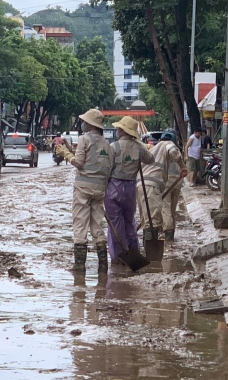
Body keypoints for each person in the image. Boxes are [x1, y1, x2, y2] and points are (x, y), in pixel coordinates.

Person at [58, 108, 113, 271]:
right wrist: (69, 148)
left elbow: (80, 163)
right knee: (97, 224)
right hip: (100, 189)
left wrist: (66, 154)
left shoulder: (84, 139)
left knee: (80, 223)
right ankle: (103, 265)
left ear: (89, 124)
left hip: (83, 188)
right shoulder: (107, 144)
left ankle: (79, 266)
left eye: (84, 121)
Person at [104, 115, 153, 262]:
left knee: (115, 222)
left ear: (122, 130)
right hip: (131, 187)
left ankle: (119, 256)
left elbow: (107, 168)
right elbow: (151, 159)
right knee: (129, 220)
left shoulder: (113, 147)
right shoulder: (139, 147)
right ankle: (133, 253)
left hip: (114, 187)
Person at [139, 132, 184, 242]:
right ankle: (169, 235)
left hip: (165, 183)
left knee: (165, 209)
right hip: (175, 183)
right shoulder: (173, 150)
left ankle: (164, 236)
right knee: (171, 211)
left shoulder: (162, 149)